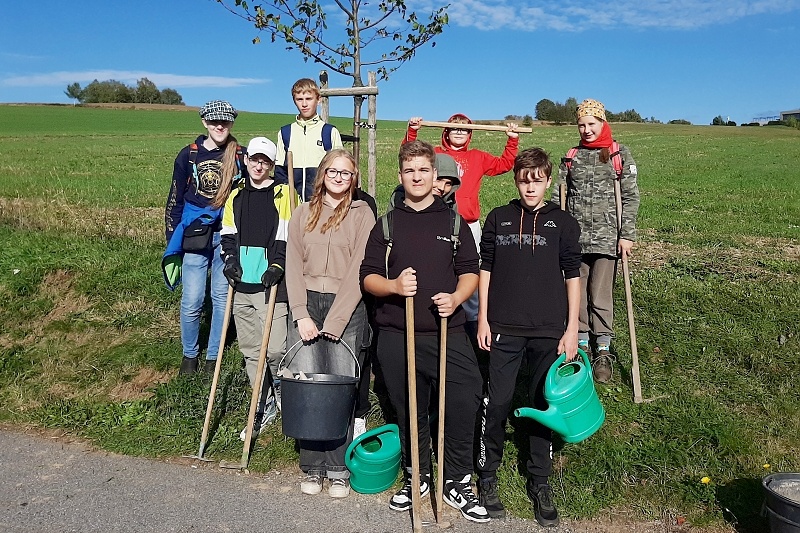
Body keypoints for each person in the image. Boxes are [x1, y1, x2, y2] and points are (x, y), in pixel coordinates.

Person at [360, 140, 488, 523]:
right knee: (410, 408)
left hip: (447, 332)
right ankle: (417, 477)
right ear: (401, 176)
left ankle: (456, 480)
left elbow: (470, 270)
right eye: (409, 171)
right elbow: (368, 277)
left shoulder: (453, 222)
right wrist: (395, 287)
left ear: (436, 177)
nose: (417, 177)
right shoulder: (387, 223)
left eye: (424, 171)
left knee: (464, 398)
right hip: (397, 335)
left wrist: (457, 296)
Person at [475, 148, 582, 527]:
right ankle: (487, 476)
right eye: (524, 178)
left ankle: (540, 481)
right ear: (515, 179)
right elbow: (484, 268)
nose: (530, 185)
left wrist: (572, 330)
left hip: (550, 332)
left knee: (542, 405)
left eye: (537, 179)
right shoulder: (499, 218)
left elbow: (573, 277)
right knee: (498, 400)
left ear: (548, 180)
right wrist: (483, 319)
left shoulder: (564, 224)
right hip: (503, 327)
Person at [285, 148, 375, 498]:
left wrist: (337, 319)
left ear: (354, 179)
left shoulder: (361, 214)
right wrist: (300, 313)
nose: (339, 178)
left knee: (339, 388)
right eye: (333, 171)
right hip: (307, 303)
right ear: (322, 174)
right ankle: (312, 466)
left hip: (347, 307)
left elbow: (360, 268)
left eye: (346, 173)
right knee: (308, 388)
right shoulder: (303, 213)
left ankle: (337, 467)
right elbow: (292, 264)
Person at [403, 115, 519, 336]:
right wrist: (413, 131)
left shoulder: (478, 157)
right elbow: (409, 157)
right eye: (454, 128)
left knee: (470, 271)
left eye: (464, 129)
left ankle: (473, 320)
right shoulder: (433, 154)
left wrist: (512, 140)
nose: (458, 132)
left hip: (469, 224)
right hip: (436, 222)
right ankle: (434, 315)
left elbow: (504, 164)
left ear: (470, 134)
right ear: (445, 131)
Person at [555, 99, 640, 383]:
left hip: (607, 239)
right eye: (582, 124)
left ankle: (602, 349)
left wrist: (626, 234)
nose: (586, 129)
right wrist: (557, 232)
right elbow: (559, 196)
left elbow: (630, 197)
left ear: (603, 123)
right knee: (576, 296)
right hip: (575, 240)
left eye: (592, 124)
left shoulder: (618, 154)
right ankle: (580, 346)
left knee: (601, 295)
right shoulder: (571, 156)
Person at [220, 136, 294, 441]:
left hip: (270, 285)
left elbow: (287, 231)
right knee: (251, 351)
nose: (258, 165)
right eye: (254, 159)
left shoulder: (283, 193)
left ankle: (283, 394)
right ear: (246, 160)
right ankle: (261, 406)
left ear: (272, 165)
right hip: (242, 286)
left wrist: (277, 265)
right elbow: (227, 231)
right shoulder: (235, 193)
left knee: (275, 350)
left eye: (265, 161)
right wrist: (229, 261)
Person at [162, 100, 242, 375]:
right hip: (194, 236)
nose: (220, 126)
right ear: (205, 122)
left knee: (221, 298)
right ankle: (189, 356)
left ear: (231, 123)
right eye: (214, 121)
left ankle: (212, 359)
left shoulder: (240, 156)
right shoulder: (188, 155)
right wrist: (172, 236)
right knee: (193, 299)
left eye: (225, 121)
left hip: (227, 236)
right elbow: (175, 199)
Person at [275, 78, 344, 202]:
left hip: (323, 203)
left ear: (318, 100)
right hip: (293, 204)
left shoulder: (329, 132)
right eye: (299, 99)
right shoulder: (285, 133)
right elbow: (280, 173)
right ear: (294, 101)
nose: (304, 104)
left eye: (309, 99)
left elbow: (340, 170)